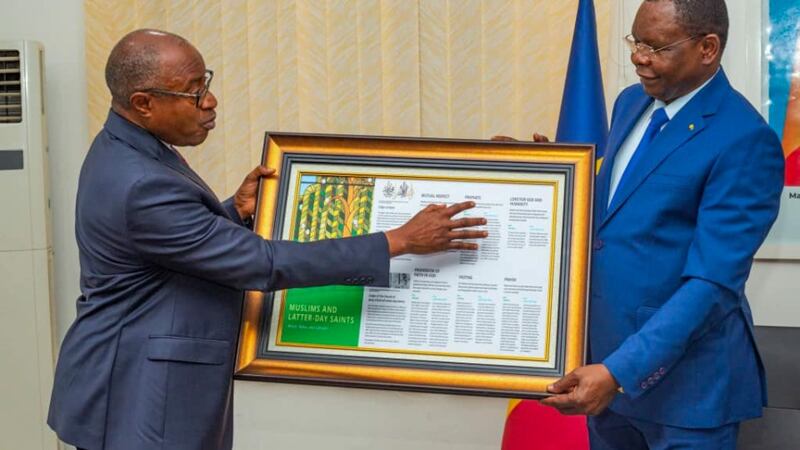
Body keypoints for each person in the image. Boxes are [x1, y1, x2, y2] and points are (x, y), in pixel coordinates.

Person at [48, 29, 487, 450]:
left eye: (208, 82)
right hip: (139, 394)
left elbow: (163, 249)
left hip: (137, 376)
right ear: (143, 103)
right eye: (194, 91)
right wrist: (398, 240)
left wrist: (233, 211)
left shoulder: (126, 146)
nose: (210, 101)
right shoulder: (139, 180)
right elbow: (264, 264)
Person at [527, 1, 783, 448]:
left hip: (687, 394)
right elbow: (618, 212)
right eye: (636, 41)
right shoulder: (631, 103)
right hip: (606, 372)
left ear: (708, 48)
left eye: (656, 47)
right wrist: (536, 175)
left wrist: (619, 371)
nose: (639, 58)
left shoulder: (745, 139)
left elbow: (711, 285)